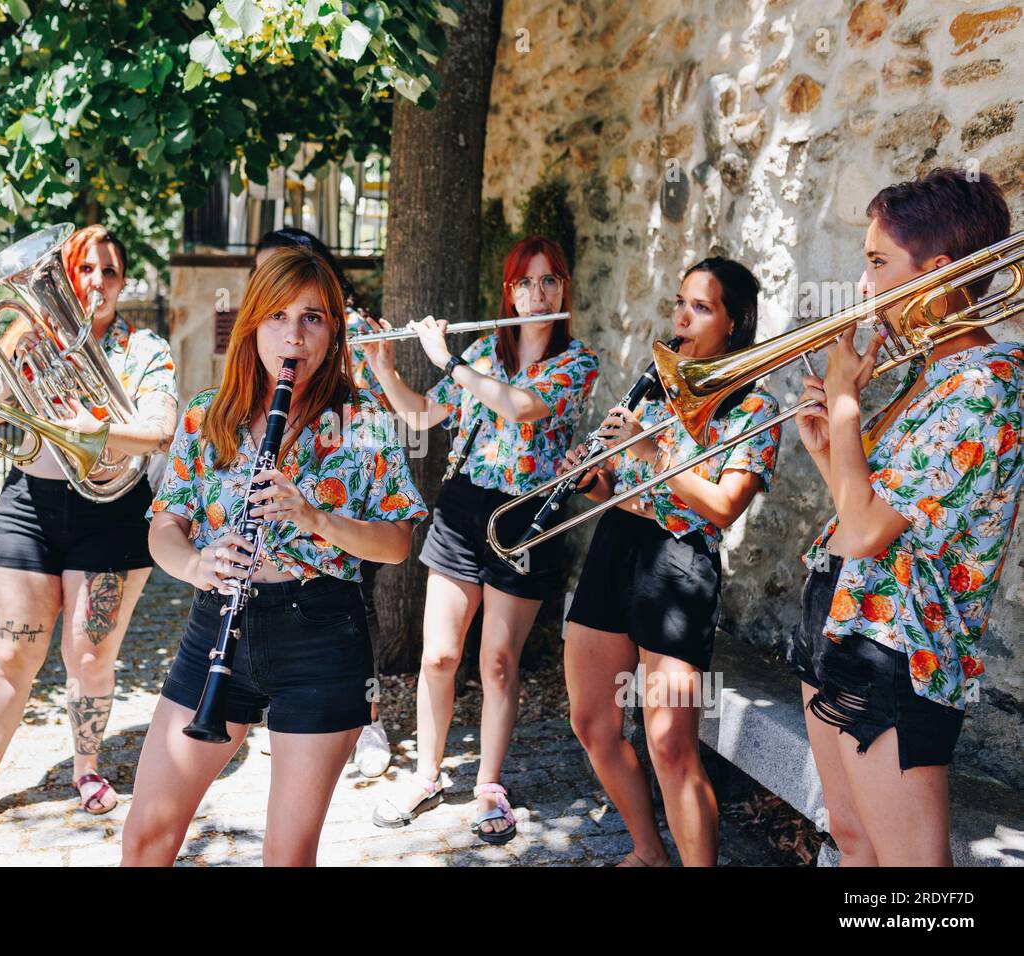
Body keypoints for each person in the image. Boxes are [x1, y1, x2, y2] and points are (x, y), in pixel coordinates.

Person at [121, 245, 427, 866]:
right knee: (148, 834)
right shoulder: (208, 416)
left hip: (321, 635)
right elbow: (164, 528)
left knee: (287, 856)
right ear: (252, 323)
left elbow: (396, 544)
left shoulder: (362, 423)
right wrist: (195, 565)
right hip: (218, 627)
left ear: (333, 329)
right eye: (278, 317)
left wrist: (314, 517)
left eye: (313, 318)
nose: (294, 335)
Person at [790, 168, 1024, 866]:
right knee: (852, 837)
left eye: (877, 263)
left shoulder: (985, 386)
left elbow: (865, 532)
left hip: (901, 649)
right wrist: (832, 448)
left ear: (937, 274)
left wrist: (845, 403)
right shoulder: (931, 373)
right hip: (840, 612)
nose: (863, 287)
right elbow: (860, 515)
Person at [365, 235, 599, 844]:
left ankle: (489, 784)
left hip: (526, 519)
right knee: (439, 655)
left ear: (563, 290)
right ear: (509, 292)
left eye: (549, 281)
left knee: (497, 663)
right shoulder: (482, 354)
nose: (536, 293)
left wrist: (448, 362)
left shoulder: (578, 360)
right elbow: (420, 415)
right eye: (524, 282)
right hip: (464, 509)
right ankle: (427, 775)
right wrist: (387, 367)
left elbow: (522, 408)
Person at [0, 225, 178, 843]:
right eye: (85, 269)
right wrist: (14, 342)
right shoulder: (31, 335)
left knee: (89, 654)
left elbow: (161, 429)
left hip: (112, 507)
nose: (97, 282)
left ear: (123, 281)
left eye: (109, 271)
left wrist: (95, 432)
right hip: (30, 503)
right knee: (9, 657)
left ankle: (87, 768)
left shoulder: (144, 348)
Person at [562, 257, 780, 867]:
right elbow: (618, 486)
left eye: (701, 307)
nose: (682, 317)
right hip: (615, 549)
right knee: (591, 721)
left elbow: (721, 509)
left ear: (735, 325)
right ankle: (647, 850)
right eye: (681, 302)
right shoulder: (656, 387)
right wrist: (591, 477)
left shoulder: (754, 410)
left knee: (670, 743)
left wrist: (657, 450)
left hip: (679, 563)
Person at [253, 227, 393, 777]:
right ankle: (277, 710)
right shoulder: (271, 328)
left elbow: (385, 403)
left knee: (357, 601)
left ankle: (369, 717)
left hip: (344, 464)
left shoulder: (345, 329)